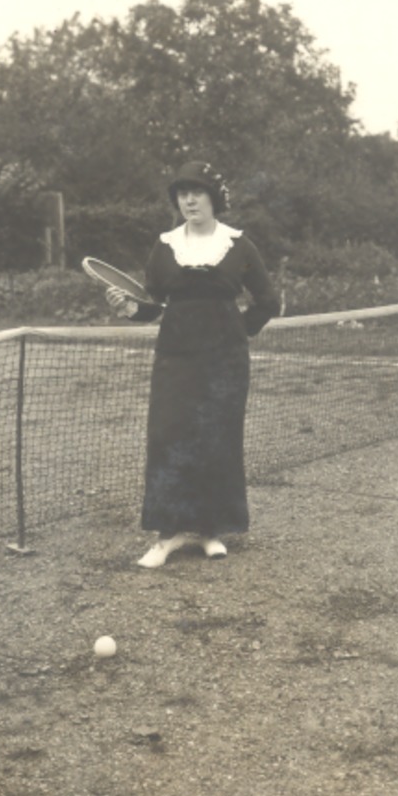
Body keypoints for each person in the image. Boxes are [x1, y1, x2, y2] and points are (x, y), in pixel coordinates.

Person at [106, 160, 280, 568]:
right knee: (168, 439)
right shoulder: (164, 245)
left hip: (226, 362)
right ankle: (166, 535)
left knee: (218, 440)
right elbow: (150, 306)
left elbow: (267, 301)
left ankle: (209, 531)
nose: (188, 199)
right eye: (181, 193)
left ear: (213, 199)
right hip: (176, 358)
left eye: (196, 192)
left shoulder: (239, 245)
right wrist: (126, 309)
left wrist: (237, 331)